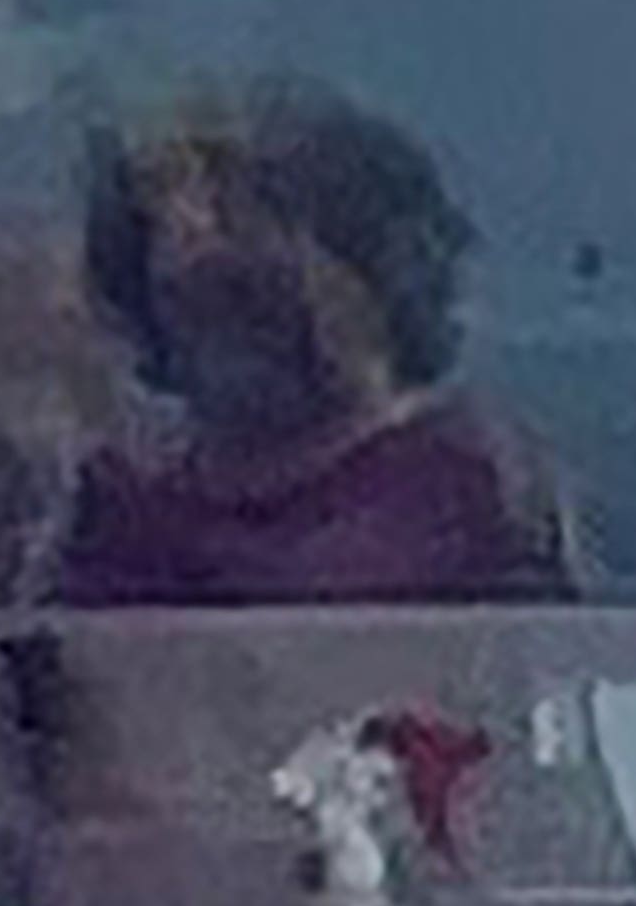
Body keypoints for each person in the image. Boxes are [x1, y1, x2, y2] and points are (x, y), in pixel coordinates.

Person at [53, 81, 574, 608]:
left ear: (374, 271)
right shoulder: (121, 511)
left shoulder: (470, 484)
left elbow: (527, 670)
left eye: (247, 286)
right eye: (185, 298)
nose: (196, 251)